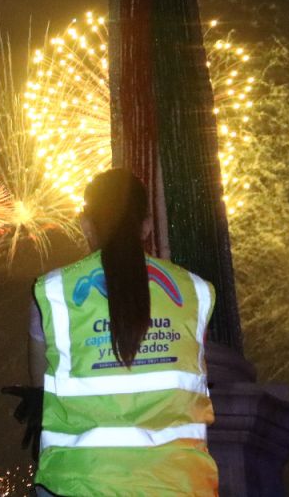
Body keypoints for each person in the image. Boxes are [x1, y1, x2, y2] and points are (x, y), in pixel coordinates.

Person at [26, 169, 218, 496]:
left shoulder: (53, 292)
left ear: (86, 225)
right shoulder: (196, 292)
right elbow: (196, 375)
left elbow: (38, 384)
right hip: (180, 483)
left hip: (78, 483)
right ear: (145, 225)